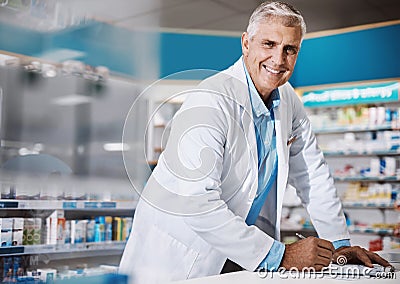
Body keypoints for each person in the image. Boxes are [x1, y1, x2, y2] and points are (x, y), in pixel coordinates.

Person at [119, 1, 391, 283]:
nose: (278, 59)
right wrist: (281, 256)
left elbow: (313, 176)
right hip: (181, 257)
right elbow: (196, 201)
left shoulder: (288, 101)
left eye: (290, 49)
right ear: (246, 43)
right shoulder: (210, 100)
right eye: (269, 44)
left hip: (239, 256)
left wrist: (339, 245)